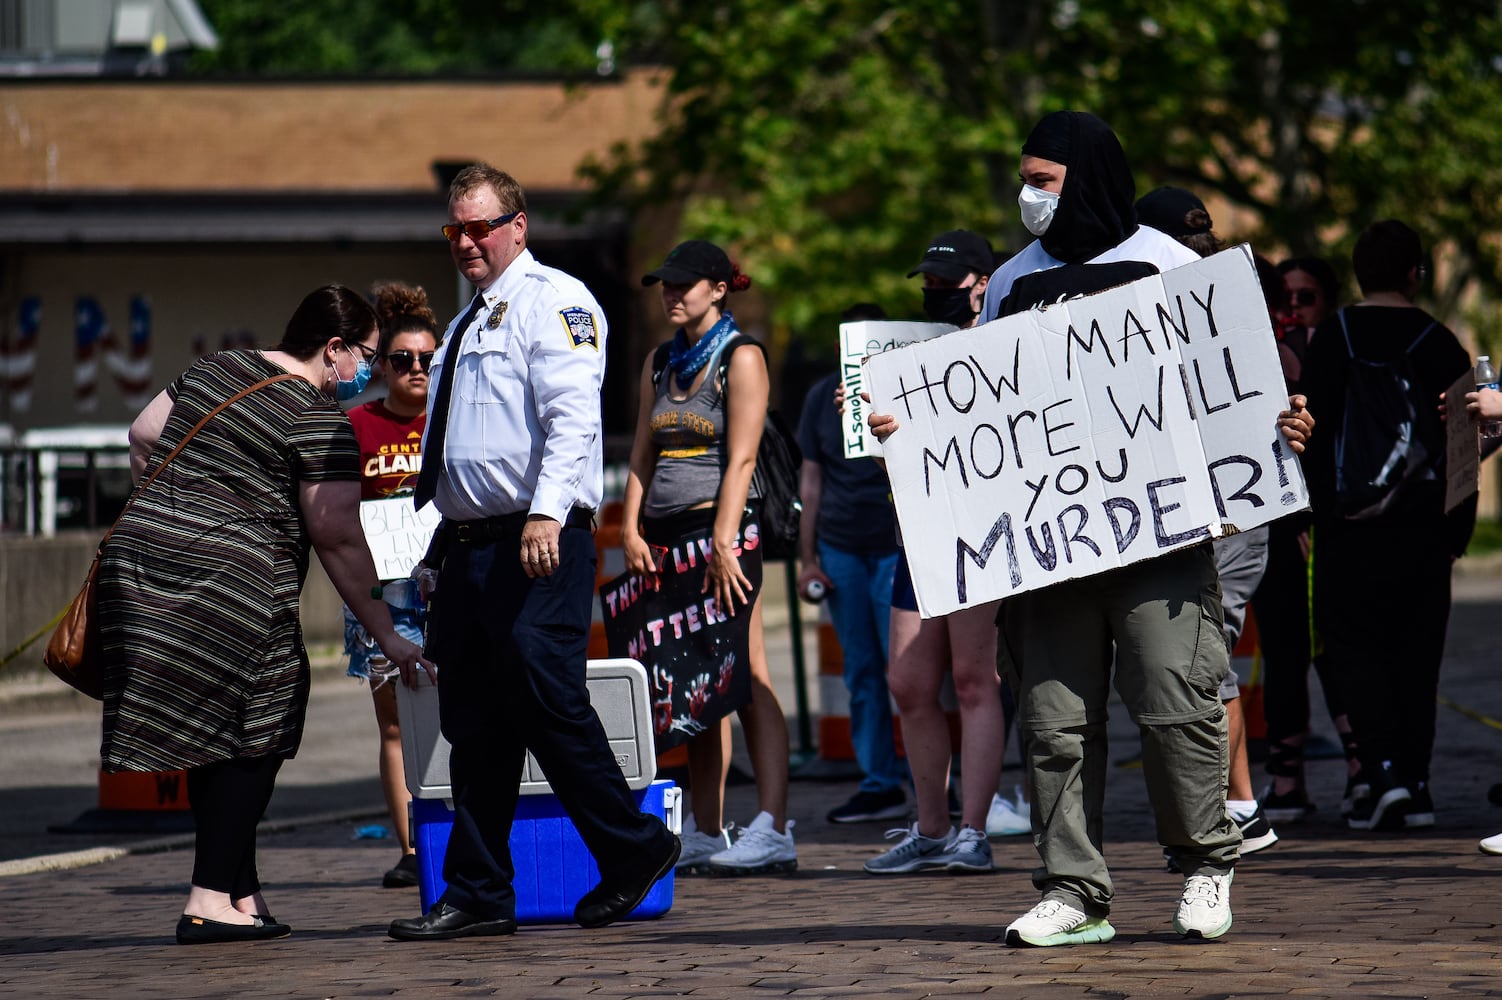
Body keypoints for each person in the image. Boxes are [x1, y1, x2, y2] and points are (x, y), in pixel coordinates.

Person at [940, 110, 1245, 945]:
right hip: (1053, 545)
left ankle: (1206, 864)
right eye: (1025, 179)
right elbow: (985, 412)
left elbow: (1228, 384)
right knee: (1052, 720)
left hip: (1163, 537)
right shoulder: (1010, 280)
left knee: (1174, 703)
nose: (1027, 196)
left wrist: (1268, 434)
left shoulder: (1171, 264)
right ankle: (1075, 890)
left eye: (1043, 180)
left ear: (1091, 178)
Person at [387, 163, 678, 941]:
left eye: (481, 227)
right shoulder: (464, 325)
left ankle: (635, 845)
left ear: (519, 225)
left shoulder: (556, 302)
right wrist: (433, 545)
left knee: (544, 691)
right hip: (470, 545)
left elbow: (575, 417)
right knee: (474, 718)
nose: (467, 242)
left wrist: (548, 514)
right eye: (456, 230)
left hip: (537, 538)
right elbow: (458, 452)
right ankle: (480, 891)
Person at [100, 284, 433, 945]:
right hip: (234, 583)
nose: (366, 373)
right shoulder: (319, 418)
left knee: (213, 734)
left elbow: (141, 433)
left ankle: (239, 892)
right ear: (333, 349)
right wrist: (388, 636)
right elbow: (337, 539)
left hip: (140, 569)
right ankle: (207, 898)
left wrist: (177, 511)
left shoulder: (218, 368)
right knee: (271, 717)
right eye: (366, 357)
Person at [620, 239, 797, 876]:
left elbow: (743, 457)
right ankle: (708, 827)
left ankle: (773, 825)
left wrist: (723, 542)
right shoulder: (660, 360)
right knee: (692, 681)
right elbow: (643, 451)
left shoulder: (740, 356)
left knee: (745, 673)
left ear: (719, 288)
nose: (672, 294)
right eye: (665, 284)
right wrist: (631, 528)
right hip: (666, 537)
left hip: (725, 533)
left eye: (685, 284)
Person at [1300, 219, 1475, 832]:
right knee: (1417, 658)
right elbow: (1461, 447)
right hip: (1424, 529)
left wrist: (1316, 515)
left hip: (1348, 530)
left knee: (1355, 653)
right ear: (1414, 273)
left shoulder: (1334, 338)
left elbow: (1311, 441)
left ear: (1357, 272)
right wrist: (1458, 530)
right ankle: (1419, 787)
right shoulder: (1440, 342)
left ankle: (1383, 775)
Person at [1134, 186, 1286, 858]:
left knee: (1202, 660)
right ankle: (1236, 804)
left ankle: (1236, 808)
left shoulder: (1225, 305)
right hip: (1190, 512)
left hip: (1231, 511)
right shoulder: (1159, 310)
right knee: (1197, 660)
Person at [860, 229, 1009, 875]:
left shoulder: (1002, 343)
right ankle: (931, 827)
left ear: (982, 282)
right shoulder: (907, 354)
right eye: (929, 284)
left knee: (975, 680)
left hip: (982, 531)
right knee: (909, 681)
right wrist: (866, 419)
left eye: (947, 285)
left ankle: (973, 831)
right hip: (919, 532)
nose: (934, 294)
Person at [342, 281, 440, 889]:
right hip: (381, 594)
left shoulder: (451, 424)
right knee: (397, 724)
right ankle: (412, 850)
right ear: (382, 364)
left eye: (428, 360)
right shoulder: (355, 424)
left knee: (460, 713)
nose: (416, 370)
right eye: (403, 359)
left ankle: (456, 832)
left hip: (443, 586)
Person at [1254, 254, 1358, 823]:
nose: (1294, 310)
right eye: (1286, 300)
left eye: (1306, 299)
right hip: (1280, 530)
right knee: (1285, 653)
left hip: (1317, 529)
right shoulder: (1276, 352)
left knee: (1331, 650)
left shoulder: (1322, 355)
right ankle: (1288, 781)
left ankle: (1363, 771)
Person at [797, 303, 907, 825]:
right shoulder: (821, 398)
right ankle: (880, 781)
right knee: (861, 670)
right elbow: (811, 482)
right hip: (841, 546)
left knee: (908, 672)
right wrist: (807, 558)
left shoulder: (907, 387)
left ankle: (933, 779)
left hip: (893, 543)